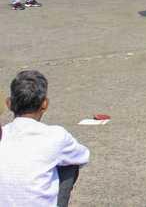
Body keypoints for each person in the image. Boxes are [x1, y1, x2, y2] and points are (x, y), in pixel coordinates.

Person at [0, 70, 90, 207]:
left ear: (9, 103)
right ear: (45, 104)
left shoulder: (3, 133)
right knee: (69, 164)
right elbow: (82, 157)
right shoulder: (56, 135)